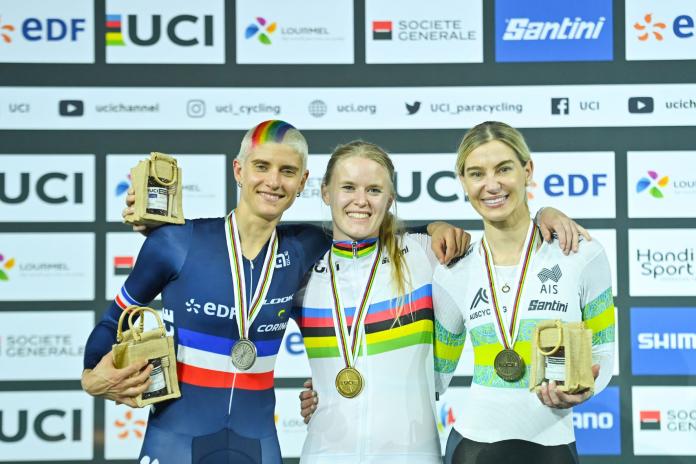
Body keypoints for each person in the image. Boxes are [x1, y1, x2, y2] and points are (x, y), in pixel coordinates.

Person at [82, 120, 465, 464]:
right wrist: (89, 377)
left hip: (258, 445)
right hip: (175, 442)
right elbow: (112, 319)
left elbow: (370, 225)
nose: (273, 181)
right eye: (261, 166)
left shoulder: (306, 248)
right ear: (239, 170)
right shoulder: (176, 242)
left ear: (303, 183)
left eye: (287, 171)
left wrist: (436, 228)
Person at [294, 141, 589, 463]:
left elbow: (503, 249)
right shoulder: (301, 272)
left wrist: (545, 214)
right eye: (347, 187)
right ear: (325, 192)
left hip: (413, 455)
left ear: (390, 199)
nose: (361, 201)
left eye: (375, 190)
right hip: (324, 452)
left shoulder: (428, 254)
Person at [433, 121, 615, 464]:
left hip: (553, 446)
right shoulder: (451, 270)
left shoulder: (582, 255)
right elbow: (433, 377)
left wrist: (586, 387)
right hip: (471, 447)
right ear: (463, 182)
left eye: (504, 169)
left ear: (527, 170)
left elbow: (604, 353)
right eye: (476, 173)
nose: (491, 185)